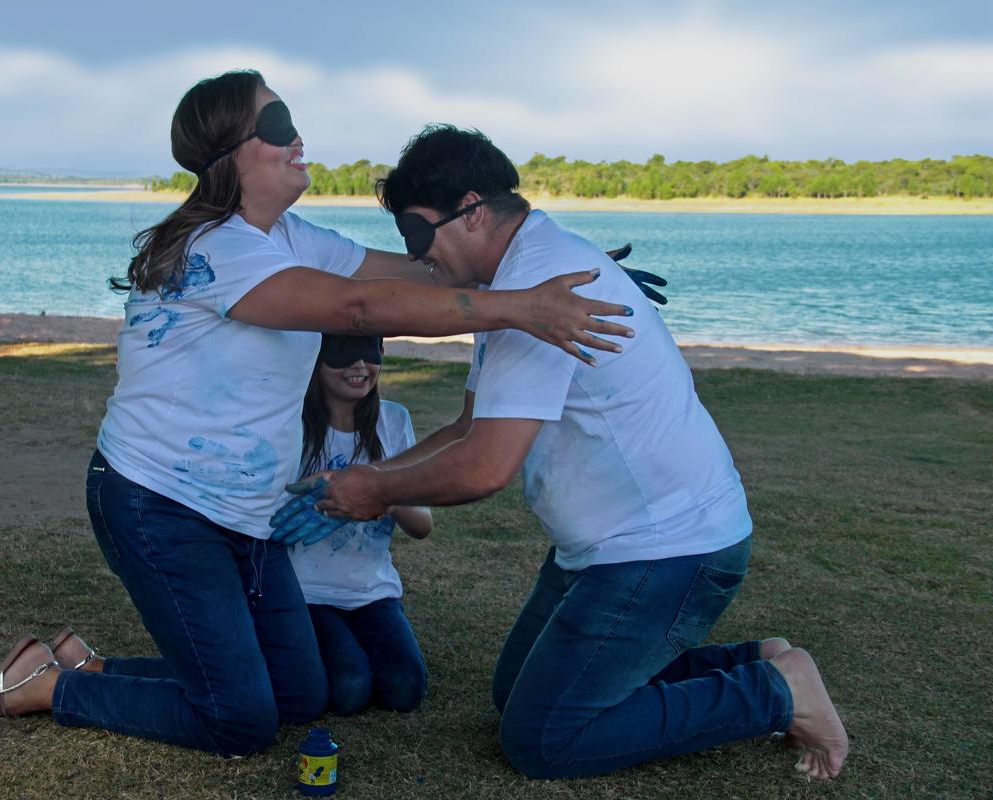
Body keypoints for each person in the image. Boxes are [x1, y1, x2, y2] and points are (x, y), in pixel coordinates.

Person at [0, 70, 638, 758]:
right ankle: (48, 689)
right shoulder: (215, 249)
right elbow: (357, 308)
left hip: (246, 511)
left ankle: (79, 664)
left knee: (299, 695)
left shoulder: (294, 237)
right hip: (160, 503)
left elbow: (420, 273)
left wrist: (540, 266)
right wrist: (521, 307)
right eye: (276, 125)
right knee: (238, 723)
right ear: (230, 152)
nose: (297, 136)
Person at [271, 125, 849, 780]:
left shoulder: (544, 287)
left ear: (474, 210)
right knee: (514, 695)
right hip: (610, 549)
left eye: (419, 235)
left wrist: (371, 493)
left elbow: (484, 466)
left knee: (543, 739)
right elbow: (467, 426)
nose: (418, 258)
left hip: (666, 549)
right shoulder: (521, 281)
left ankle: (776, 694)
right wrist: (366, 474)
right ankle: (757, 663)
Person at [288, 334, 432, 716]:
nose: (359, 365)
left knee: (405, 690)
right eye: (342, 353)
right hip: (305, 594)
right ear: (316, 359)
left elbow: (422, 525)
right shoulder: (291, 424)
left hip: (372, 594)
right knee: (349, 690)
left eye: (369, 352)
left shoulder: (394, 420)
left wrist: (380, 491)